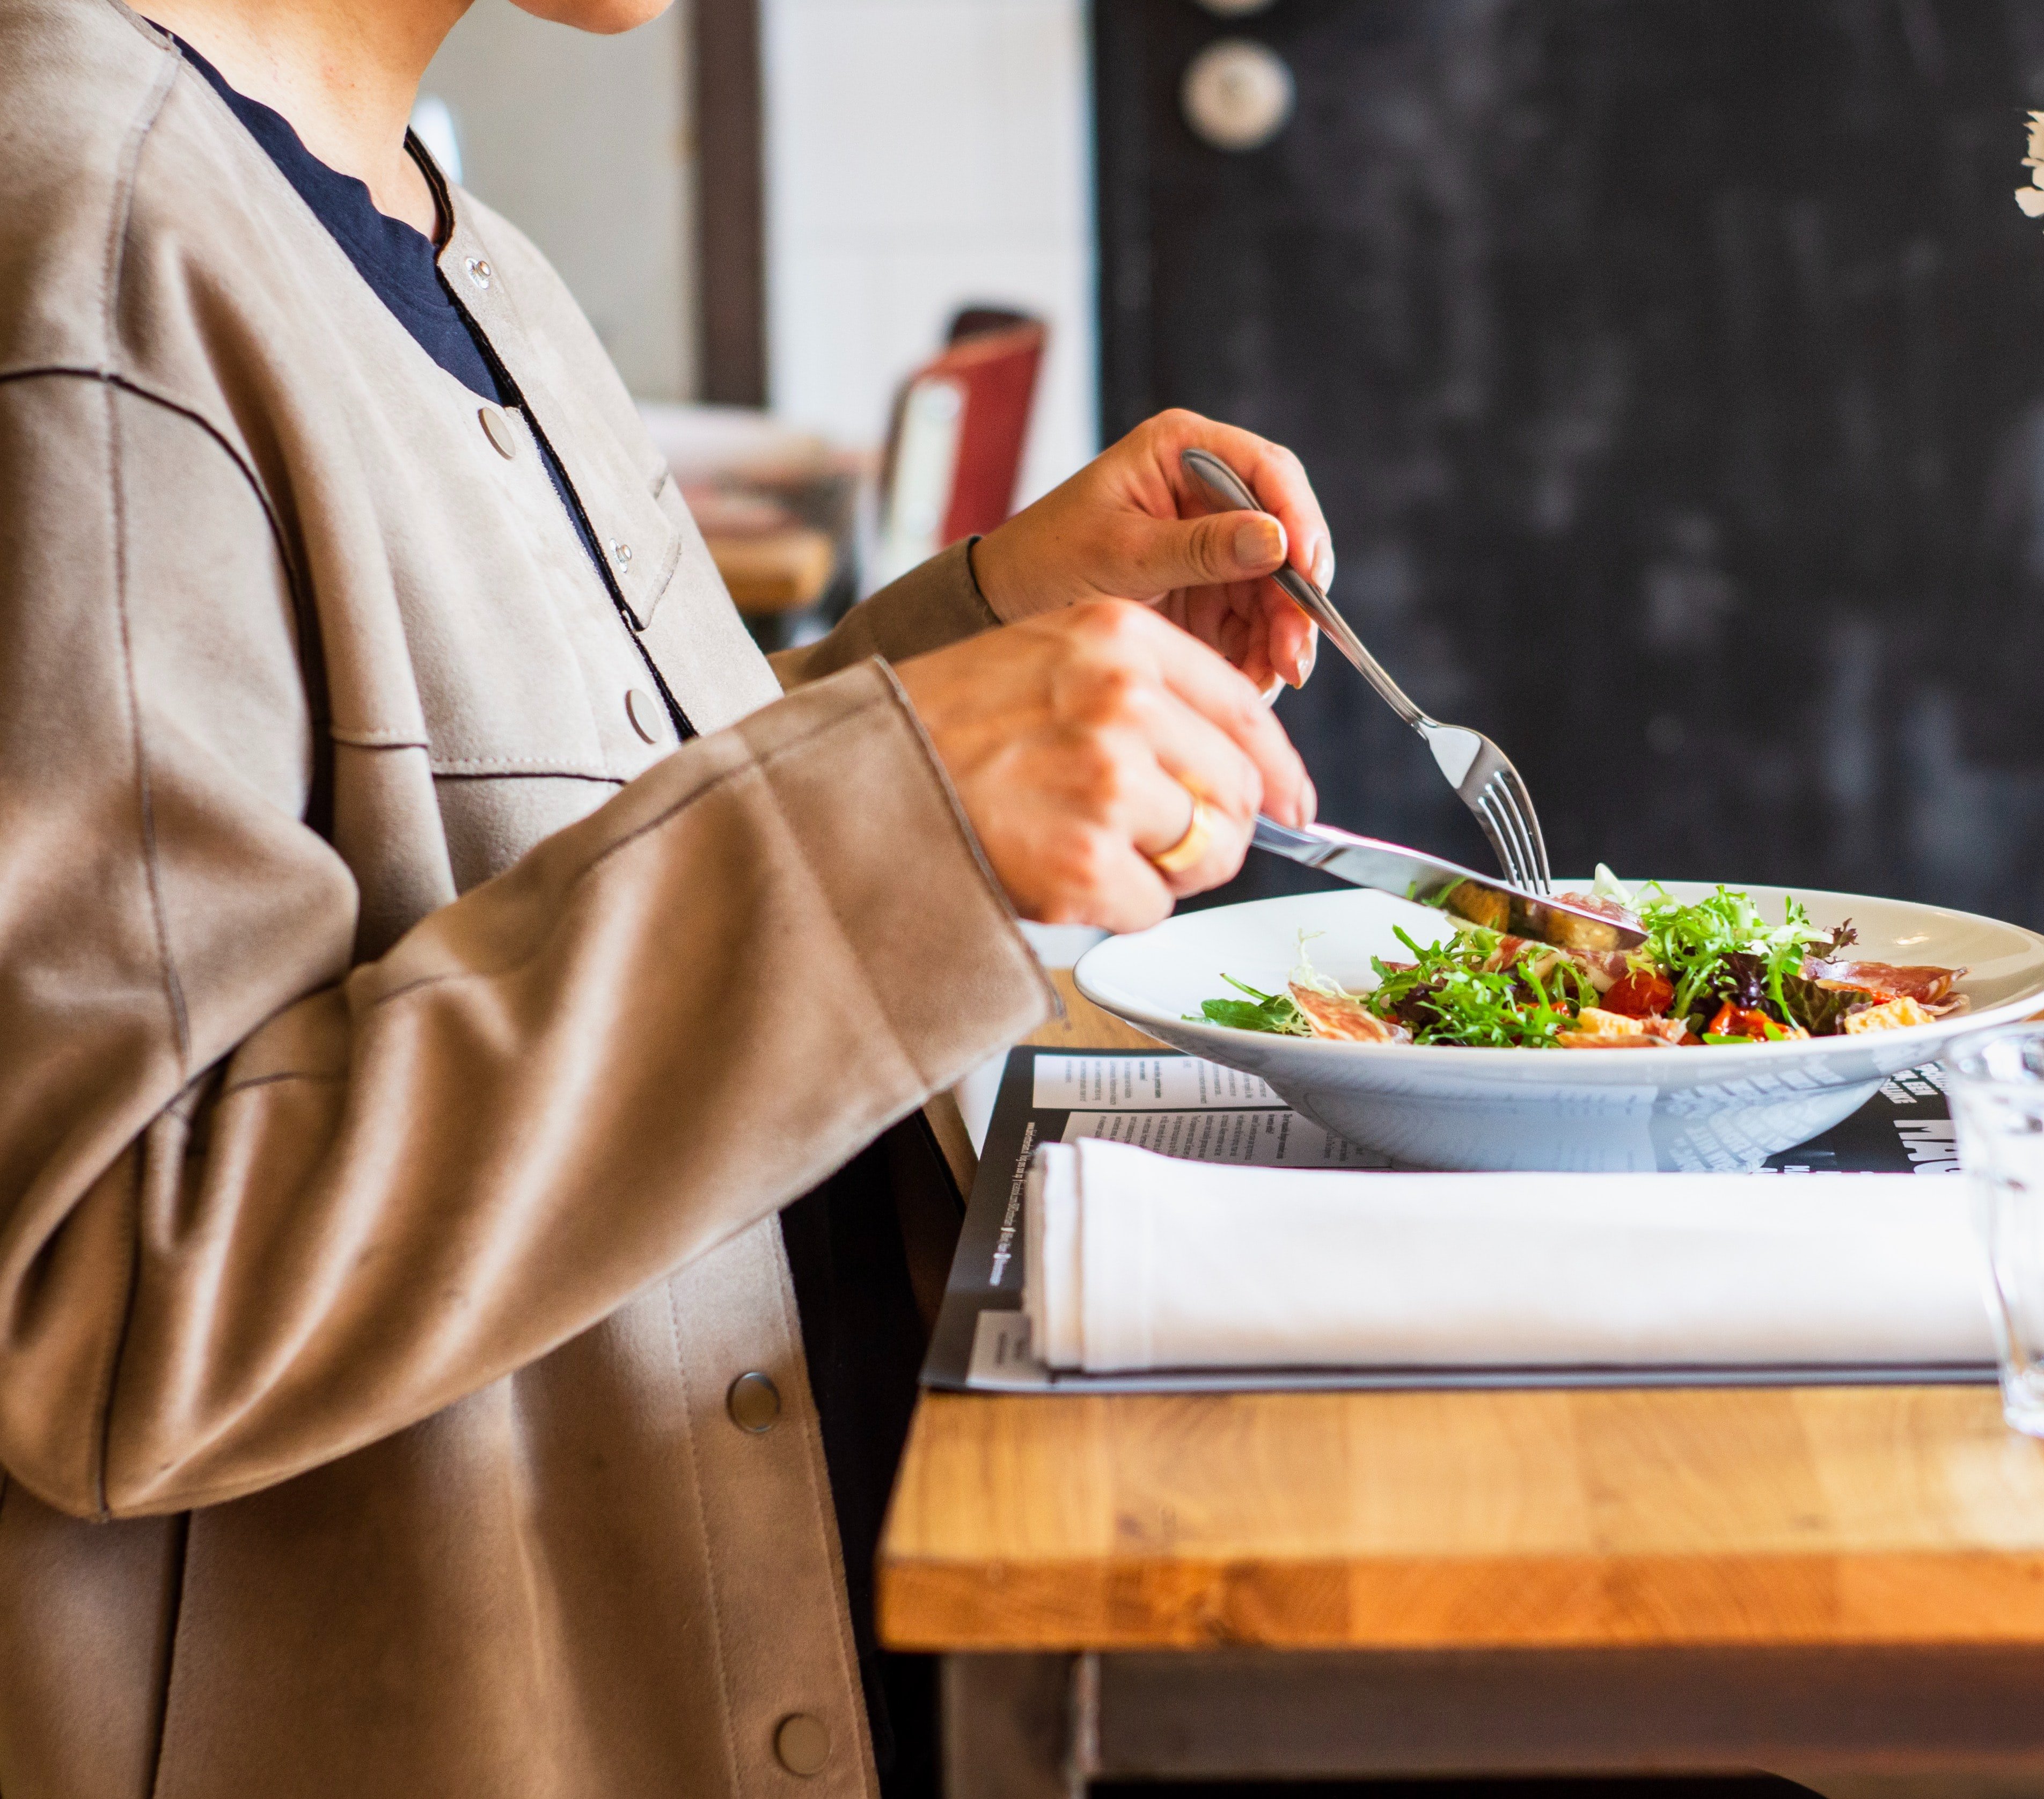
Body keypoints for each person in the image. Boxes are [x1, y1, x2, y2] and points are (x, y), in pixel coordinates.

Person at [0, 0, 1334, 1789]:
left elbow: (568, 850)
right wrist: (901, 805)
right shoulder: (89, 245)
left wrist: (973, 629)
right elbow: (116, 1299)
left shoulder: (456, 248)